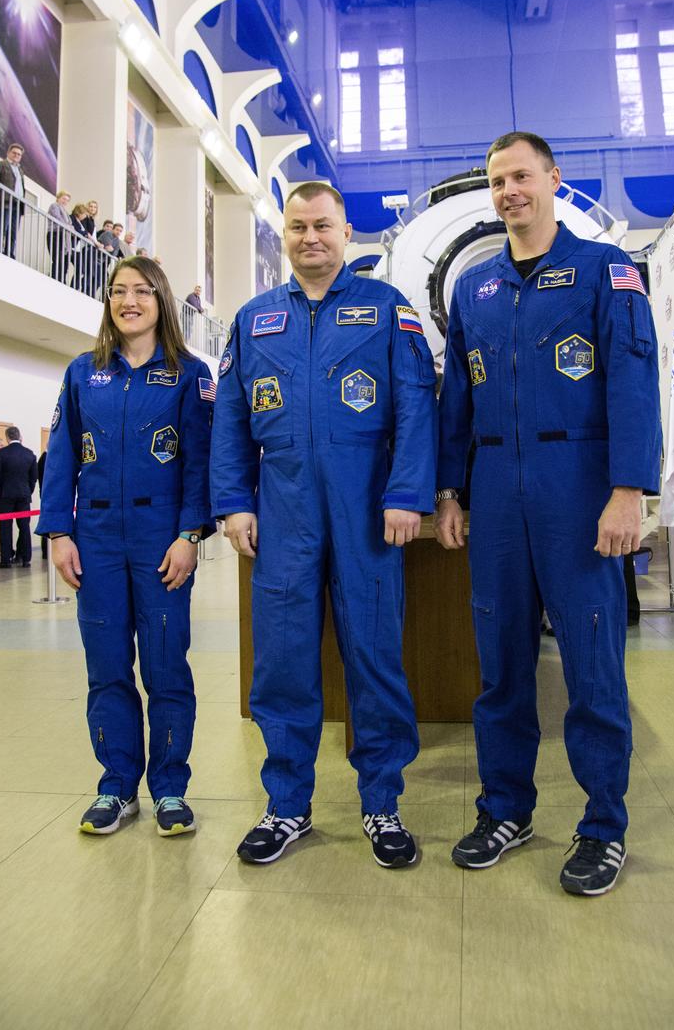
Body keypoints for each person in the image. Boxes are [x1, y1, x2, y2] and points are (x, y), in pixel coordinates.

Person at [435, 131, 661, 896]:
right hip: (496, 489)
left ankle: (602, 825)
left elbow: (632, 383)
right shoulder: (475, 289)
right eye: (498, 180)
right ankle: (505, 807)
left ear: (553, 180)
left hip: (579, 489)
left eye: (521, 176)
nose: (509, 192)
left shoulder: (604, 271)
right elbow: (456, 401)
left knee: (592, 668)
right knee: (499, 665)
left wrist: (628, 488)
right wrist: (449, 489)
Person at [212, 183, 437, 868]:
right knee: (281, 662)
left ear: (346, 233)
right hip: (282, 512)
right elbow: (228, 419)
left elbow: (414, 406)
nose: (311, 236)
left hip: (366, 507)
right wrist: (233, 501)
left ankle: (381, 802)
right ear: (283, 233)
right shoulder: (252, 320)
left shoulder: (384, 308)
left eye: (323, 226)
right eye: (298, 225)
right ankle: (286, 804)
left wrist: (406, 493)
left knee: (373, 655)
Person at [36, 256, 214, 837]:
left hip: (162, 539)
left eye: (141, 291)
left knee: (166, 667)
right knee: (107, 667)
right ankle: (115, 787)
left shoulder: (189, 373)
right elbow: (60, 456)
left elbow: (200, 463)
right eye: (118, 291)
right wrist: (60, 532)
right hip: (97, 540)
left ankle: (169, 788)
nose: (128, 300)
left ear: (162, 299)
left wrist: (190, 535)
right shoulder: (84, 372)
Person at [0, 426, 38, 569]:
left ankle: (6, 560)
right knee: (24, 527)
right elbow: (33, 477)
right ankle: (25, 559)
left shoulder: (2, 453)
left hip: (6, 495)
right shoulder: (29, 454)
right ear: (19, 436)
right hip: (24, 495)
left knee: (5, 527)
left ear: (7, 437)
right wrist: (28, 491)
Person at [0, 143, 27, 258]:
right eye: (14, 153)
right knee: (3, 226)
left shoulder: (20, 170)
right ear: (8, 153)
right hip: (5, 202)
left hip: (17, 204)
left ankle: (9, 252)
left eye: (19, 154)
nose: (17, 155)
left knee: (13, 231)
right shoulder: (0, 164)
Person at [47, 190, 73, 282]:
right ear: (58, 198)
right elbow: (58, 219)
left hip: (63, 237)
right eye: (64, 199)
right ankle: (55, 280)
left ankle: (62, 280)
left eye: (67, 200)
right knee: (58, 259)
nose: (65, 201)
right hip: (55, 234)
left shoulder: (65, 212)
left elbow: (69, 225)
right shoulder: (54, 206)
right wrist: (69, 227)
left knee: (64, 262)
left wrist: (69, 227)